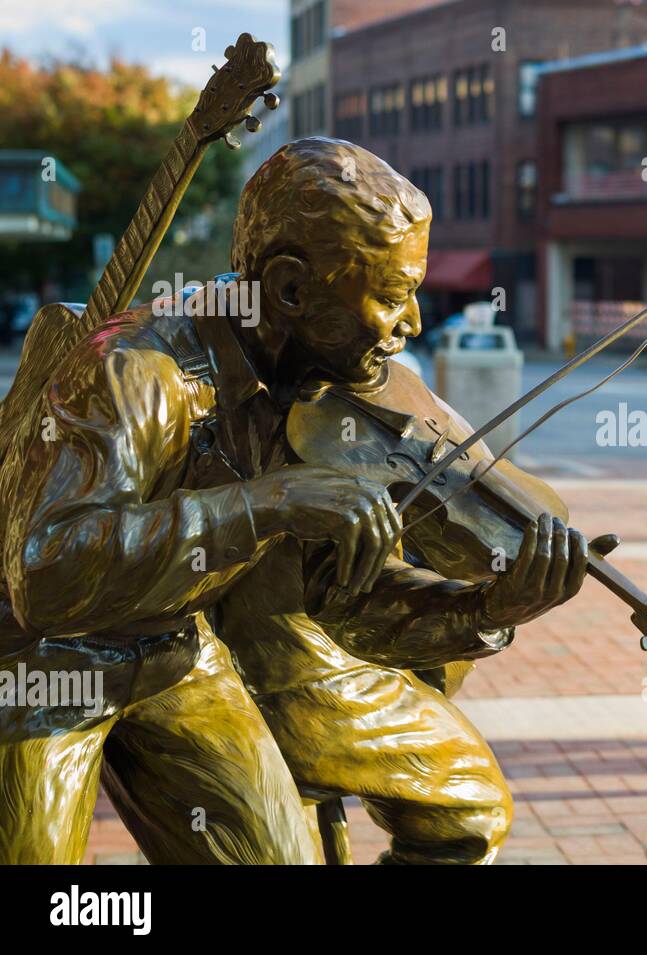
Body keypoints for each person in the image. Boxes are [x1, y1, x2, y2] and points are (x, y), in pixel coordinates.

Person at [0, 136, 587, 863]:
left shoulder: (318, 398)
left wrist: (482, 612)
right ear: (287, 290)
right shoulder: (135, 367)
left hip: (171, 655)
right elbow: (48, 572)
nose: (413, 328)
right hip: (39, 665)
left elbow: (342, 600)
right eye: (393, 295)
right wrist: (265, 504)